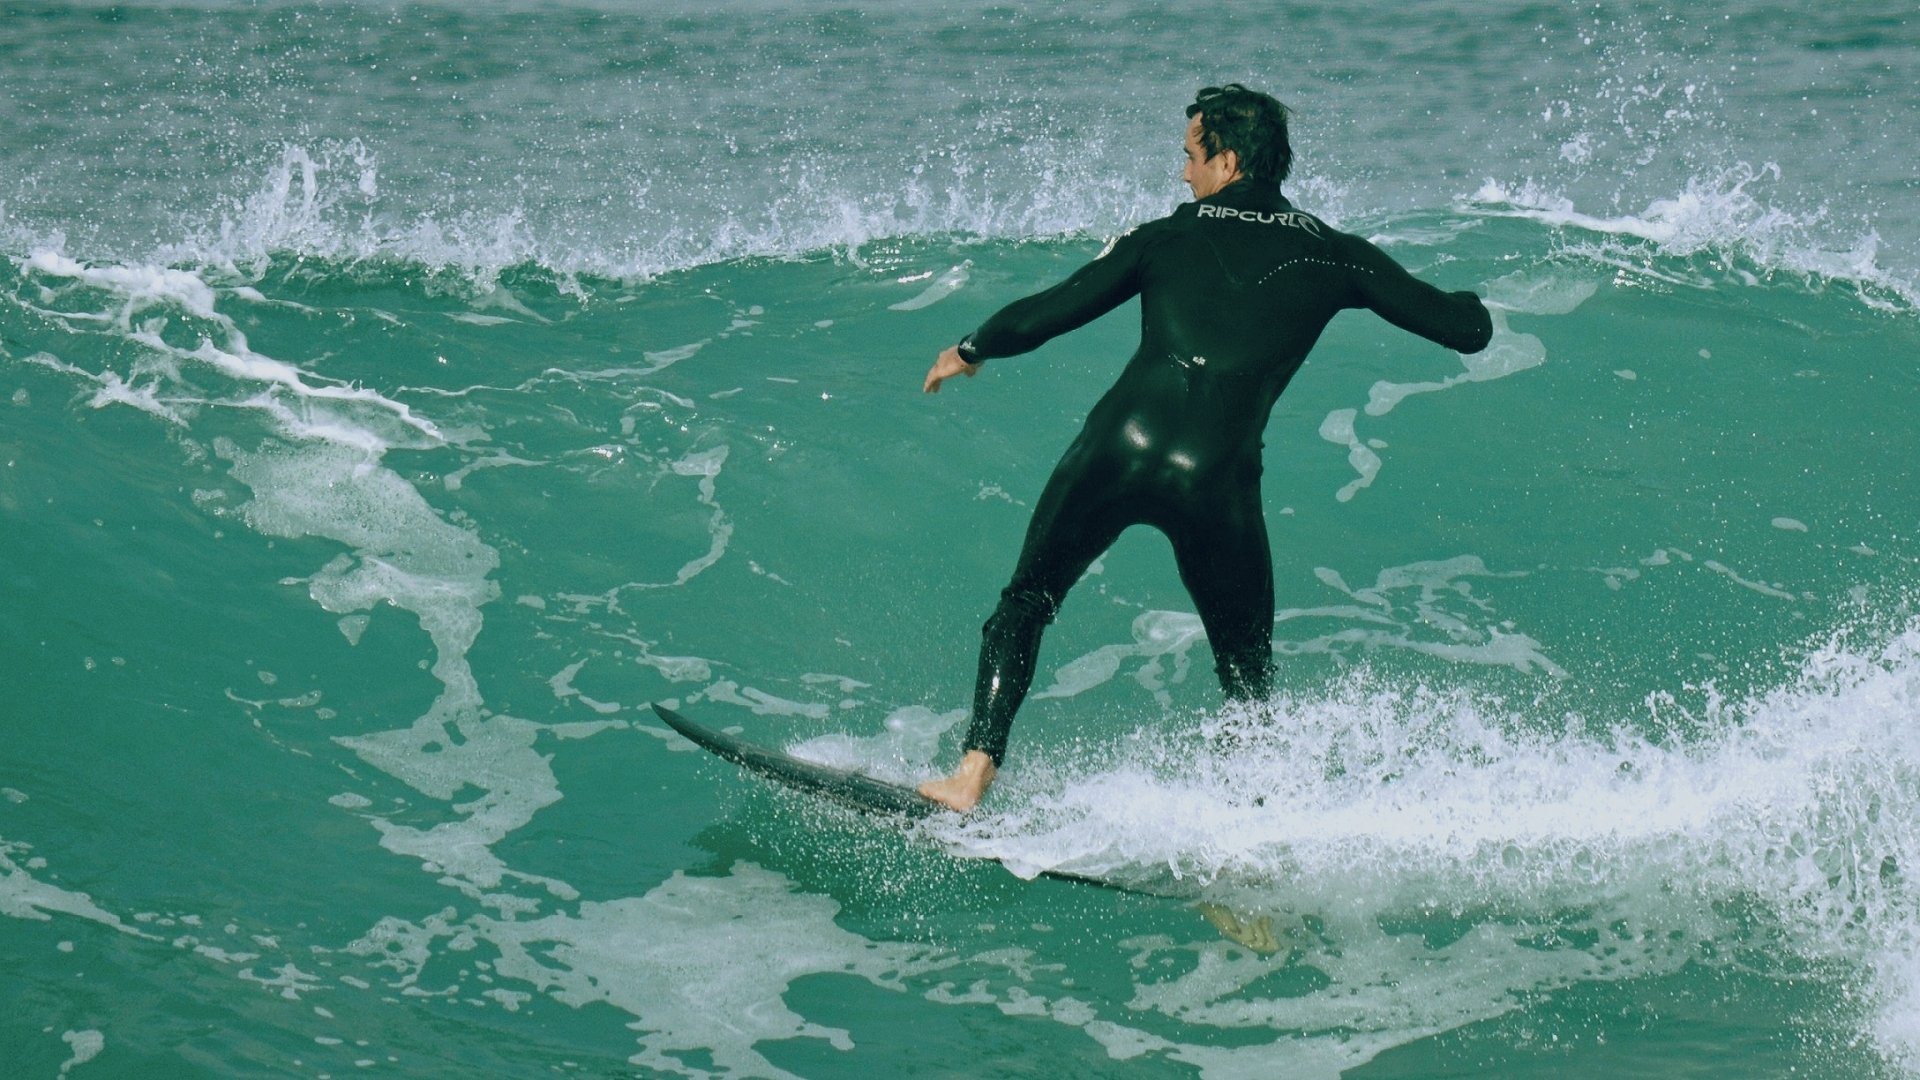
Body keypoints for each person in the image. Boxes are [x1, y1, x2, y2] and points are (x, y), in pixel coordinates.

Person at [917, 84, 1492, 812]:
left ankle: (971, 776)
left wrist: (970, 348)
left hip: (1118, 449)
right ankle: (1241, 832)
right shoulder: (1335, 254)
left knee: (1026, 603)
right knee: (1246, 670)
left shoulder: (1166, 235)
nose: (1183, 172)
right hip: (1216, 477)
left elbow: (1053, 310)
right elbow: (1463, 329)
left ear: (1226, 161)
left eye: (1191, 157)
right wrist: (1477, 303)